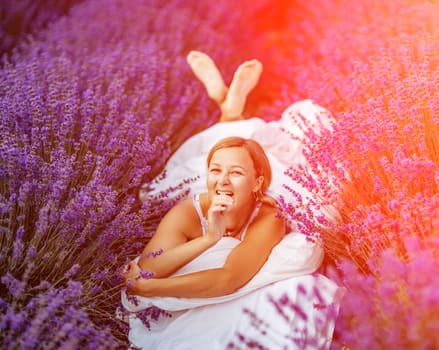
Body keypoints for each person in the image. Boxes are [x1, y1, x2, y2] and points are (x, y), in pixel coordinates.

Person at [120, 51, 340, 349]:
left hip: (269, 179)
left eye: (234, 175)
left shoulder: (268, 215)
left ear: (257, 185)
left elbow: (229, 278)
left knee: (285, 149)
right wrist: (208, 239)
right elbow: (149, 264)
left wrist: (153, 288)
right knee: (209, 159)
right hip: (220, 186)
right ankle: (228, 111)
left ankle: (229, 111)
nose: (221, 181)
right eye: (216, 173)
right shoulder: (188, 211)